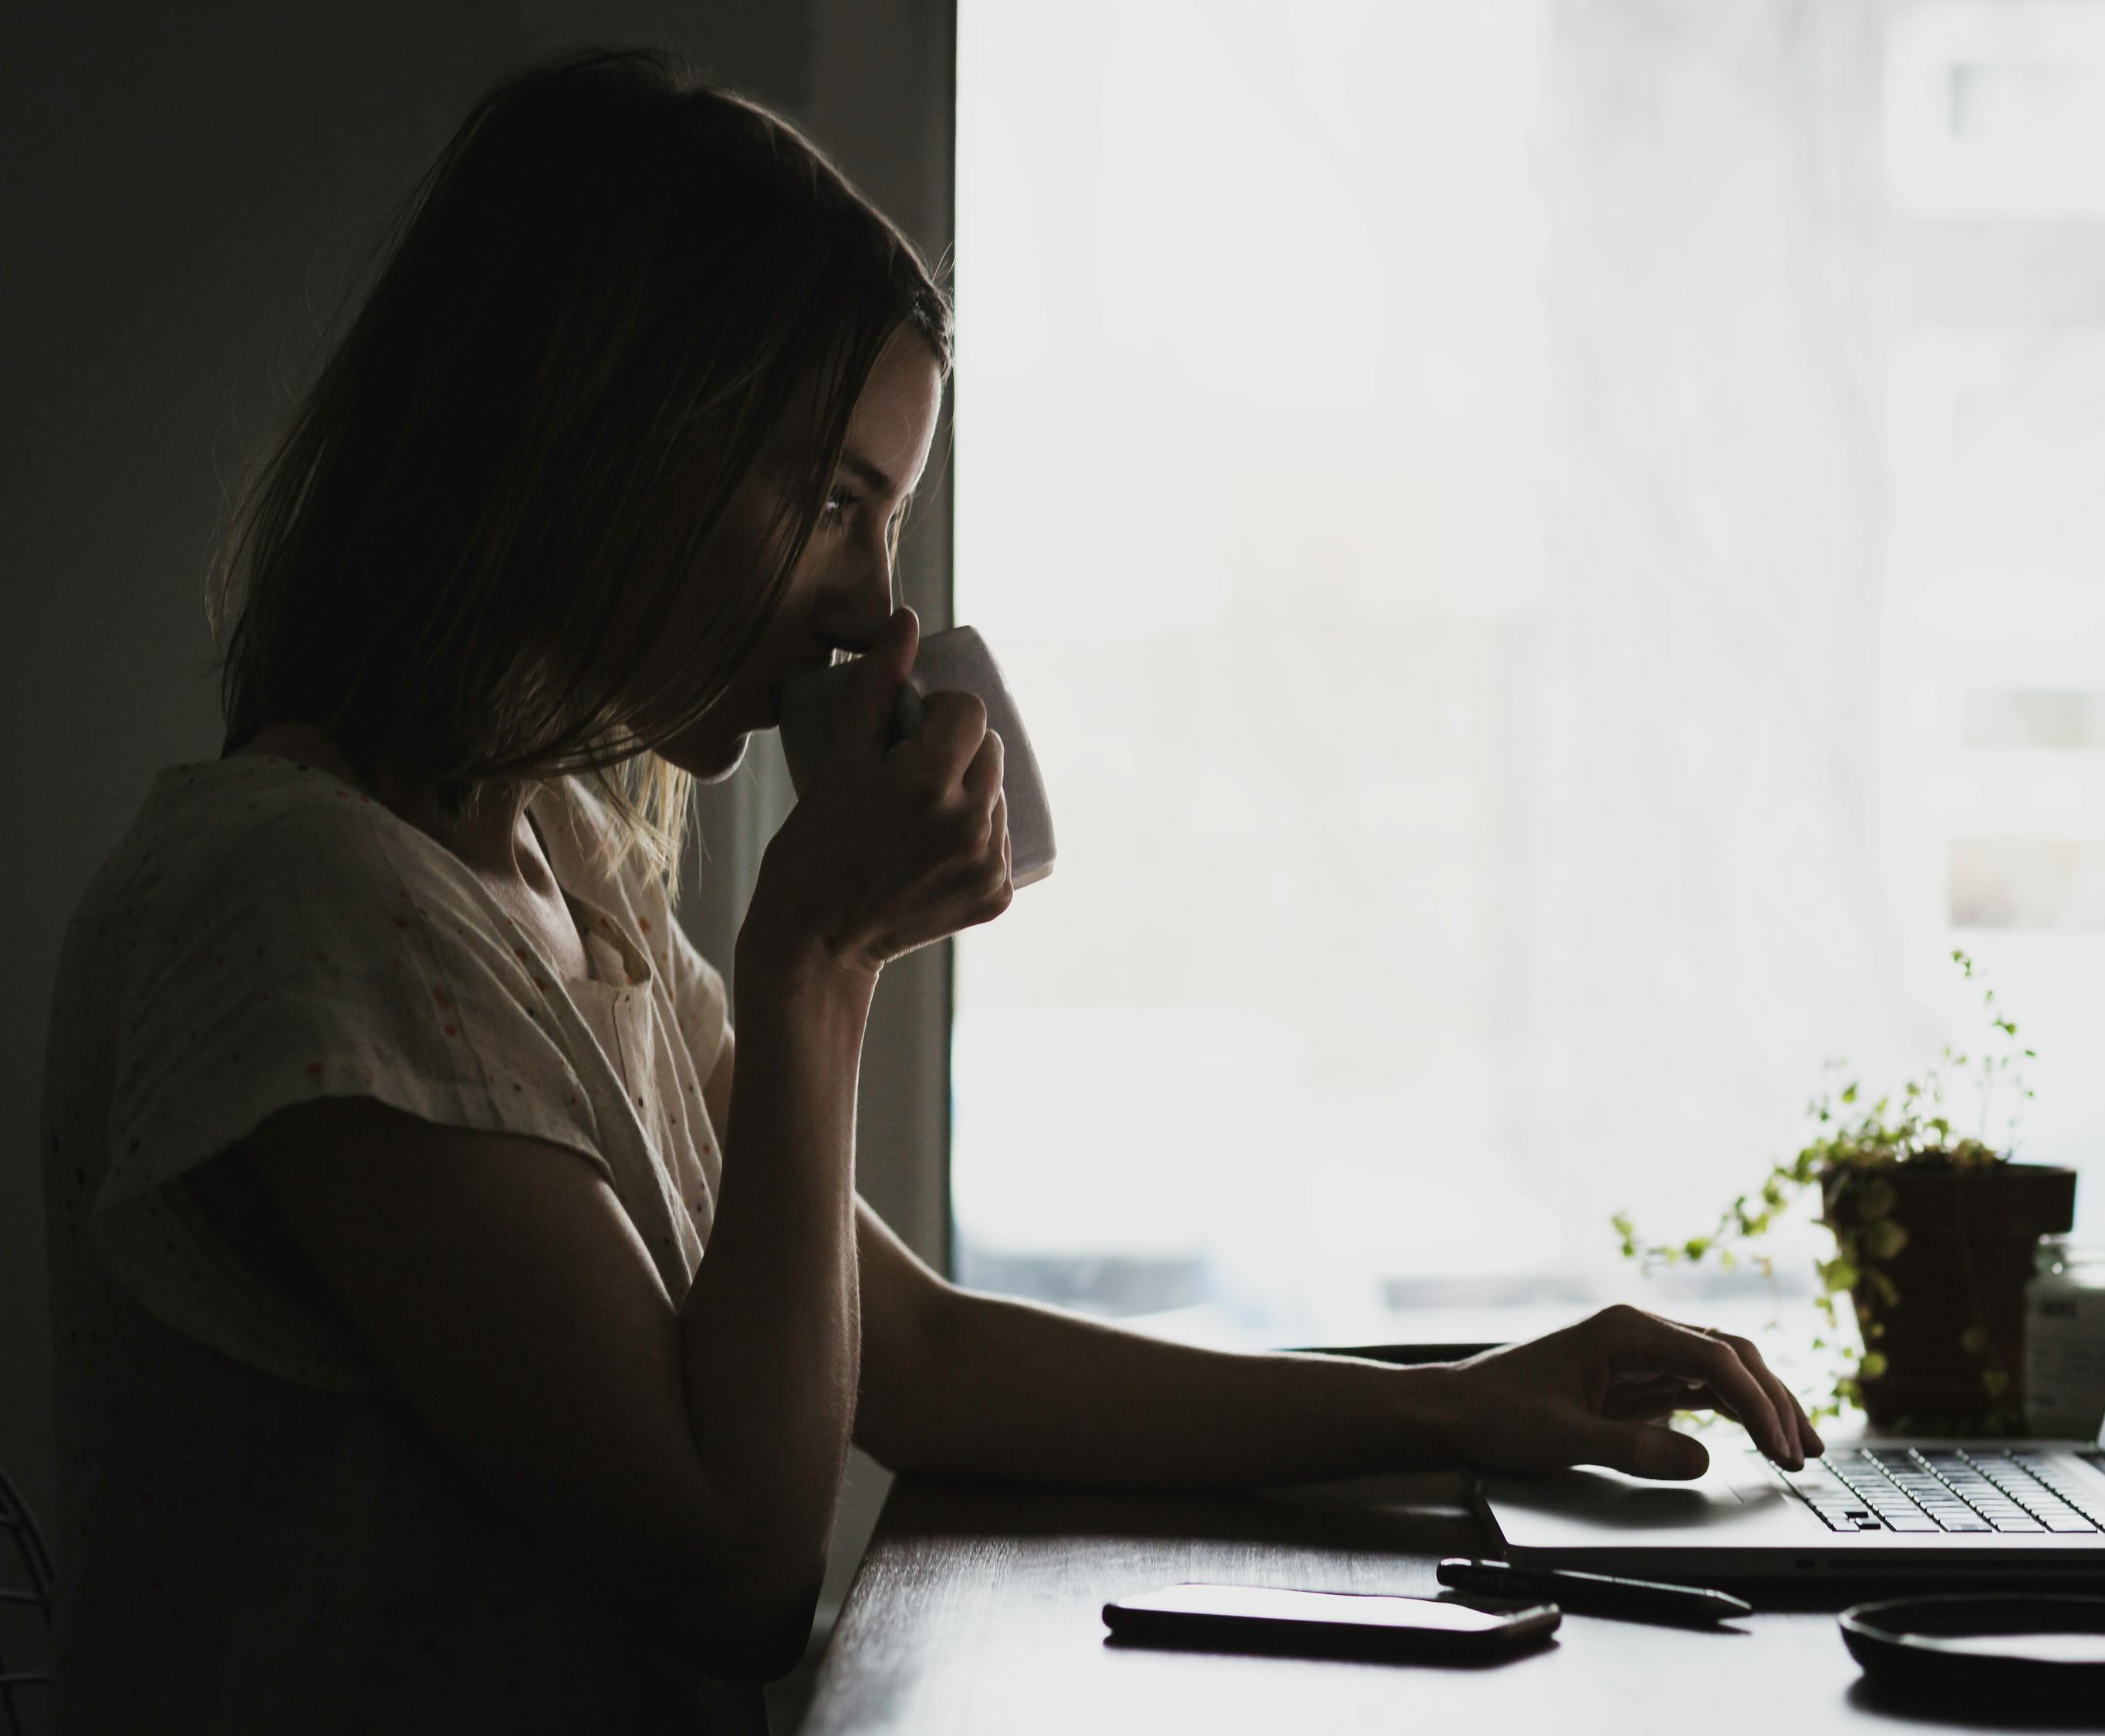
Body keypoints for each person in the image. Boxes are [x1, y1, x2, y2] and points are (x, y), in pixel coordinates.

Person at [37, 47, 1819, 1734]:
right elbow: (729, 1564)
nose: (871, 612)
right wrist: (817, 953)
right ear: (599, 445)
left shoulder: (553, 877)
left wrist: (1470, 1404)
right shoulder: (303, 907)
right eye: (830, 499)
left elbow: (916, 1353)